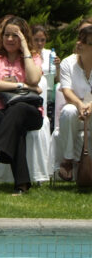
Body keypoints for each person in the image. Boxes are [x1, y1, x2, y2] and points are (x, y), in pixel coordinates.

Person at [0, 15, 44, 195]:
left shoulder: (34, 57)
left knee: (19, 109)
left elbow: (34, 78)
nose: (9, 39)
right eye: (6, 35)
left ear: (24, 37)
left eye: (15, 35)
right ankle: (21, 185)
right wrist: (22, 86)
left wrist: (25, 48)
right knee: (17, 128)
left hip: (29, 112)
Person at [53, 23, 92, 181]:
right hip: (76, 109)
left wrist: (90, 106)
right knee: (68, 111)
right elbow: (66, 91)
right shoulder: (67, 63)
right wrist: (80, 105)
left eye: (86, 43)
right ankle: (67, 160)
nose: (79, 44)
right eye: (80, 40)